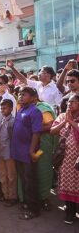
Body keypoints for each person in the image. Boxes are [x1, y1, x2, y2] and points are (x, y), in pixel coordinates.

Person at [11, 87, 42, 220]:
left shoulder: (35, 111)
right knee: (23, 180)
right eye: (19, 94)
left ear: (33, 97)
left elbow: (37, 132)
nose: (21, 96)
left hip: (28, 152)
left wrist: (31, 150)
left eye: (24, 95)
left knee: (30, 182)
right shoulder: (21, 109)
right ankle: (27, 204)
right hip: (18, 152)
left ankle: (34, 210)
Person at [50, 94, 79, 224]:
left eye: (73, 102)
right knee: (67, 184)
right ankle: (70, 213)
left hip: (77, 159)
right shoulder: (62, 116)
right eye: (68, 102)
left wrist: (72, 122)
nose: (69, 104)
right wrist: (65, 122)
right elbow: (52, 131)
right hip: (66, 160)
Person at [0, 99, 17, 207]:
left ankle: (12, 197)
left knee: (11, 176)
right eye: (1, 108)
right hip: (2, 152)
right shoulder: (3, 119)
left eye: (4, 108)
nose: (2, 110)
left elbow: (12, 138)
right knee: (3, 175)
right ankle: (6, 195)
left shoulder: (12, 121)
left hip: (9, 153)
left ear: (11, 108)